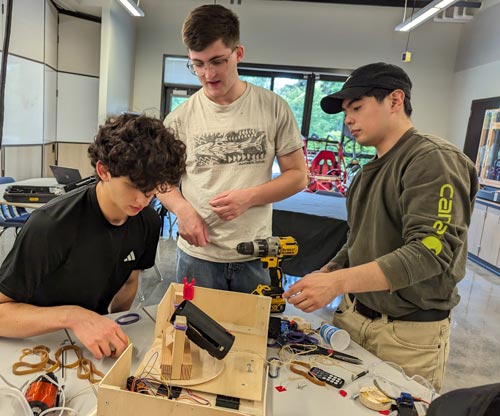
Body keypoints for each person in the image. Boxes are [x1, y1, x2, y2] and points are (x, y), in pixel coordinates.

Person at [284, 62, 478, 392]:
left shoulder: (432, 160)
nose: (348, 120)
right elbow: (358, 238)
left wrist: (337, 282)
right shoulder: (366, 173)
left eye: (357, 107)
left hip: (406, 336)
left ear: (395, 100)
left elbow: (430, 252)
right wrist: (328, 271)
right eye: (345, 111)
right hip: (353, 318)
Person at [0, 114, 186, 360]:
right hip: (33, 343)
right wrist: (75, 316)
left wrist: (114, 325)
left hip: (86, 346)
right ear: (103, 170)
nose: (142, 200)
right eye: (133, 186)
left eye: (151, 191)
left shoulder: (148, 222)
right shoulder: (50, 226)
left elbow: (130, 282)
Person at [160, 4, 307, 293]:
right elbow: (161, 182)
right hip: (197, 257)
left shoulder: (273, 107)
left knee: (251, 338)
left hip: (253, 255)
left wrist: (249, 197)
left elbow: (298, 176)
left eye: (217, 61)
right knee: (193, 335)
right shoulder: (180, 118)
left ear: (238, 53)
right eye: (197, 64)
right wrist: (182, 210)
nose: (207, 73)